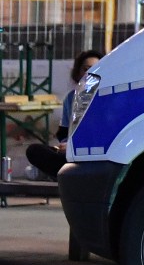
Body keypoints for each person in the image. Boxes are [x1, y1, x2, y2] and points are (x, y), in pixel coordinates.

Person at [25, 49, 102, 181]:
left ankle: (68, 176)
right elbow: (64, 132)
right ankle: (68, 175)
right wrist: (64, 145)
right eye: (86, 69)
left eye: (96, 69)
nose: (90, 73)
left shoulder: (106, 96)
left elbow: (101, 134)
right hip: (72, 153)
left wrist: (74, 145)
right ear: (78, 73)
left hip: (97, 153)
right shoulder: (71, 98)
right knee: (34, 150)